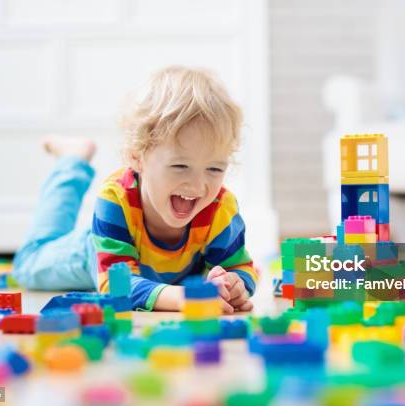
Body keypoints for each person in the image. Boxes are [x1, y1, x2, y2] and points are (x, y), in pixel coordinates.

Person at [13, 66, 257, 313]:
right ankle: (72, 162)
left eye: (214, 169)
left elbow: (241, 267)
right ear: (137, 158)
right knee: (29, 264)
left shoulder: (220, 208)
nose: (197, 185)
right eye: (180, 165)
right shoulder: (115, 199)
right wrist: (182, 298)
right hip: (94, 252)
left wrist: (235, 284)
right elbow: (115, 284)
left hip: (151, 276)